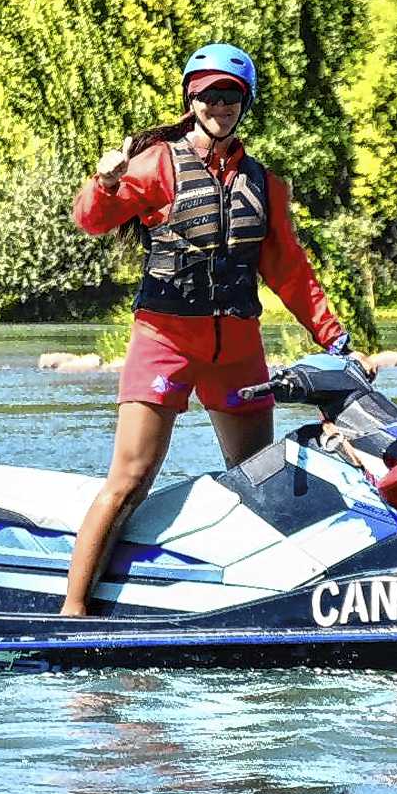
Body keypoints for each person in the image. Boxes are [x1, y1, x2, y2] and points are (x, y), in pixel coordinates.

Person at [60, 42, 369, 616]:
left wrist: (335, 338)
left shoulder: (264, 183)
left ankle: (256, 603)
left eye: (230, 96)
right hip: (165, 342)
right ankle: (72, 613)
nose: (218, 105)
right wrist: (104, 182)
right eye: (207, 95)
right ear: (190, 98)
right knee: (130, 478)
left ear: (244, 103)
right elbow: (91, 220)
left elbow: (290, 271)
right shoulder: (157, 163)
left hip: (237, 349)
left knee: (259, 482)